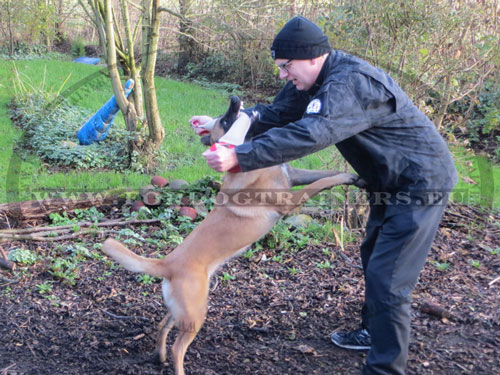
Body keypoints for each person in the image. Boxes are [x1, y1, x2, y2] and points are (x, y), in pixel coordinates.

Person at [192, 16, 458, 375]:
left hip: (421, 183)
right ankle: (372, 331)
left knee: (389, 277)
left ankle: (385, 369)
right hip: (388, 182)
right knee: (374, 256)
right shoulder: (311, 82)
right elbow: (276, 114)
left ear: (313, 57)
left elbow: (312, 133)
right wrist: (221, 126)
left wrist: (240, 156)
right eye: (280, 68)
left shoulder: (350, 84)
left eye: (286, 67)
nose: (283, 75)